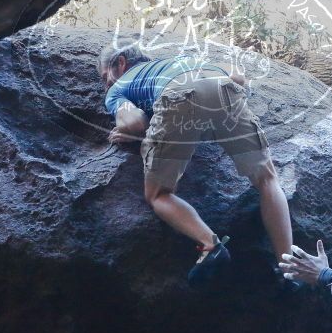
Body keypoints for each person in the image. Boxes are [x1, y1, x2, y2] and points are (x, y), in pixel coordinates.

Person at [97, 36, 294, 288]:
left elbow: (134, 122)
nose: (106, 85)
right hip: (222, 87)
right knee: (267, 179)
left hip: (177, 97)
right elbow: (238, 77)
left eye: (105, 77)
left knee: (158, 194)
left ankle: (210, 245)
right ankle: (290, 269)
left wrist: (128, 131)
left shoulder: (118, 86)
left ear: (120, 64)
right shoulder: (184, 59)